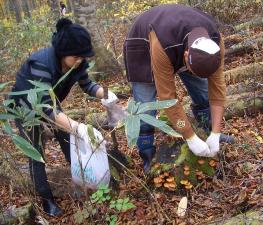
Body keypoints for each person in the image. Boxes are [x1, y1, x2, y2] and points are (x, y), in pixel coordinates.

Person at [10, 18, 118, 216]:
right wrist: (78, 127)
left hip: (51, 103)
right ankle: (46, 200)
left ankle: (82, 181)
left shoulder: (78, 63)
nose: (79, 61)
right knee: (36, 154)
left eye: (82, 57)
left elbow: (87, 85)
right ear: (62, 52)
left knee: (69, 141)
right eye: (76, 57)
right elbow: (45, 109)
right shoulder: (41, 63)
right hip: (27, 108)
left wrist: (107, 94)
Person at [124, 4, 230, 172]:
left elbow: (217, 91)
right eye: (192, 70)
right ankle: (147, 154)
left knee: (202, 91)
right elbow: (167, 99)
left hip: (177, 43)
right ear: (186, 56)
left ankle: (207, 130)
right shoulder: (163, 45)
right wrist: (189, 136)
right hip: (144, 44)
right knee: (144, 106)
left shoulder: (216, 42)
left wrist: (217, 132)